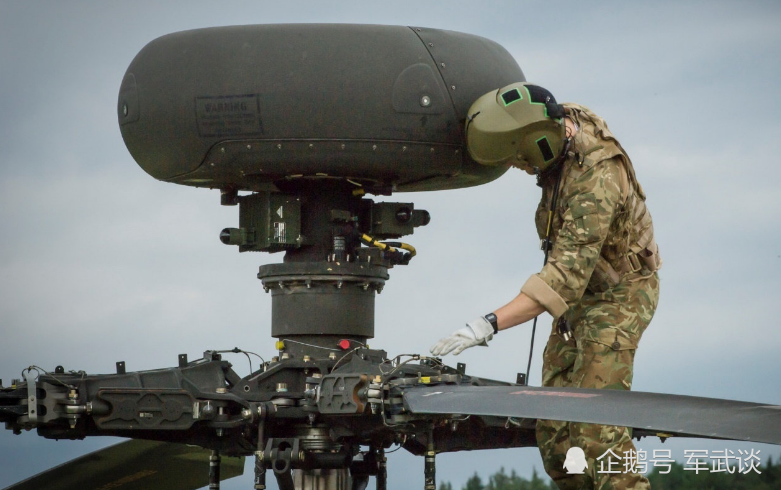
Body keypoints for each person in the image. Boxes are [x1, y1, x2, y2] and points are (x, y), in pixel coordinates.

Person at [430, 82, 661, 490]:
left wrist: (486, 325)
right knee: (555, 436)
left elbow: (562, 279)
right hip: (580, 301)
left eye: (520, 160)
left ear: (537, 145)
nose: (521, 169)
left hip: (618, 297)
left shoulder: (596, 180)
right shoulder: (558, 124)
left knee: (596, 429)